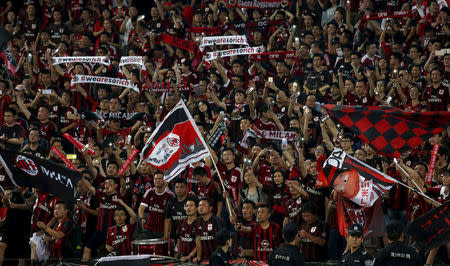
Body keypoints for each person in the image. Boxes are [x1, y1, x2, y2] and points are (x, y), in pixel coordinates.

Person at [193, 198, 224, 263]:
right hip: (203, 259)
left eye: (204, 205)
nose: (201, 207)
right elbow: (198, 239)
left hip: (217, 258)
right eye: (199, 205)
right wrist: (199, 256)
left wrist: (217, 256)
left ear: (210, 208)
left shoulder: (217, 221)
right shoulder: (196, 221)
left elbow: (222, 241)